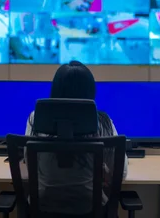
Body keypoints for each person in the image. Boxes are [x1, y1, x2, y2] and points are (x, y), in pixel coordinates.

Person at [25, 61, 128, 214]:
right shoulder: (102, 123)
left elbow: (29, 163)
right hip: (91, 208)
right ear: (90, 91)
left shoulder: (37, 119)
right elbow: (122, 172)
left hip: (43, 207)